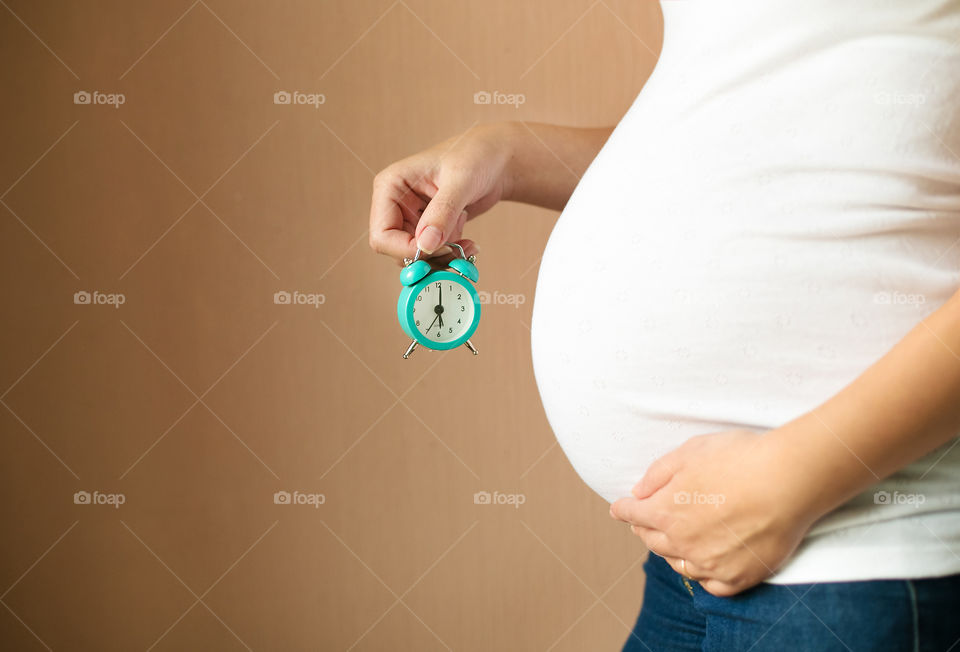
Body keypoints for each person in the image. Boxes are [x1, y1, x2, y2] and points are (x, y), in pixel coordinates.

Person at [368, 1, 960, 649]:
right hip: (695, 563)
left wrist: (793, 479)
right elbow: (766, 139)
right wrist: (513, 153)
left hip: (855, 544)